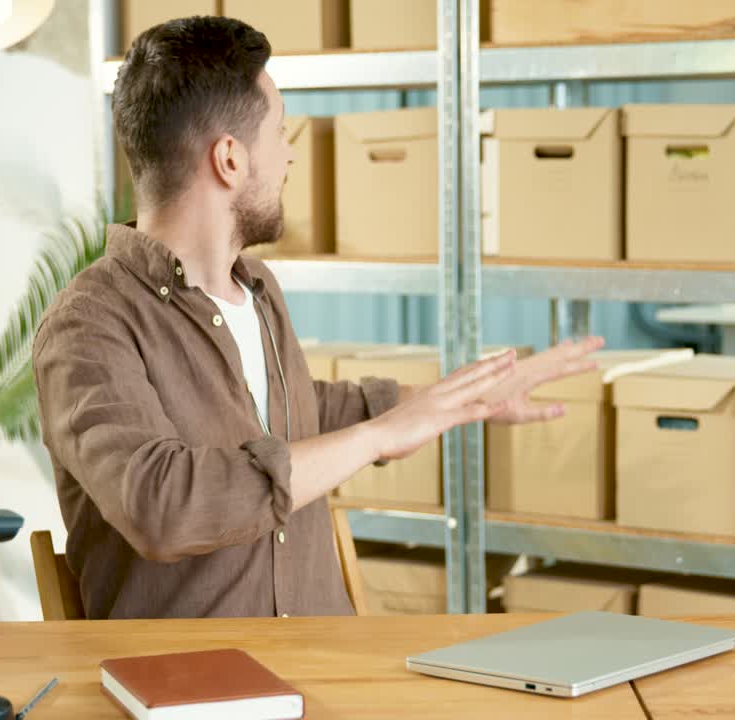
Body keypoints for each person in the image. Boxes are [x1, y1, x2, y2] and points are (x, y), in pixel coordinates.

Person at [32, 15, 604, 620]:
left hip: (323, 660)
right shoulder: (88, 326)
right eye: (280, 132)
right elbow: (162, 506)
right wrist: (378, 437)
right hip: (188, 674)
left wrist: (462, 400)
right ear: (229, 160)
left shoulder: (257, 290)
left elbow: (299, 411)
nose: (289, 154)